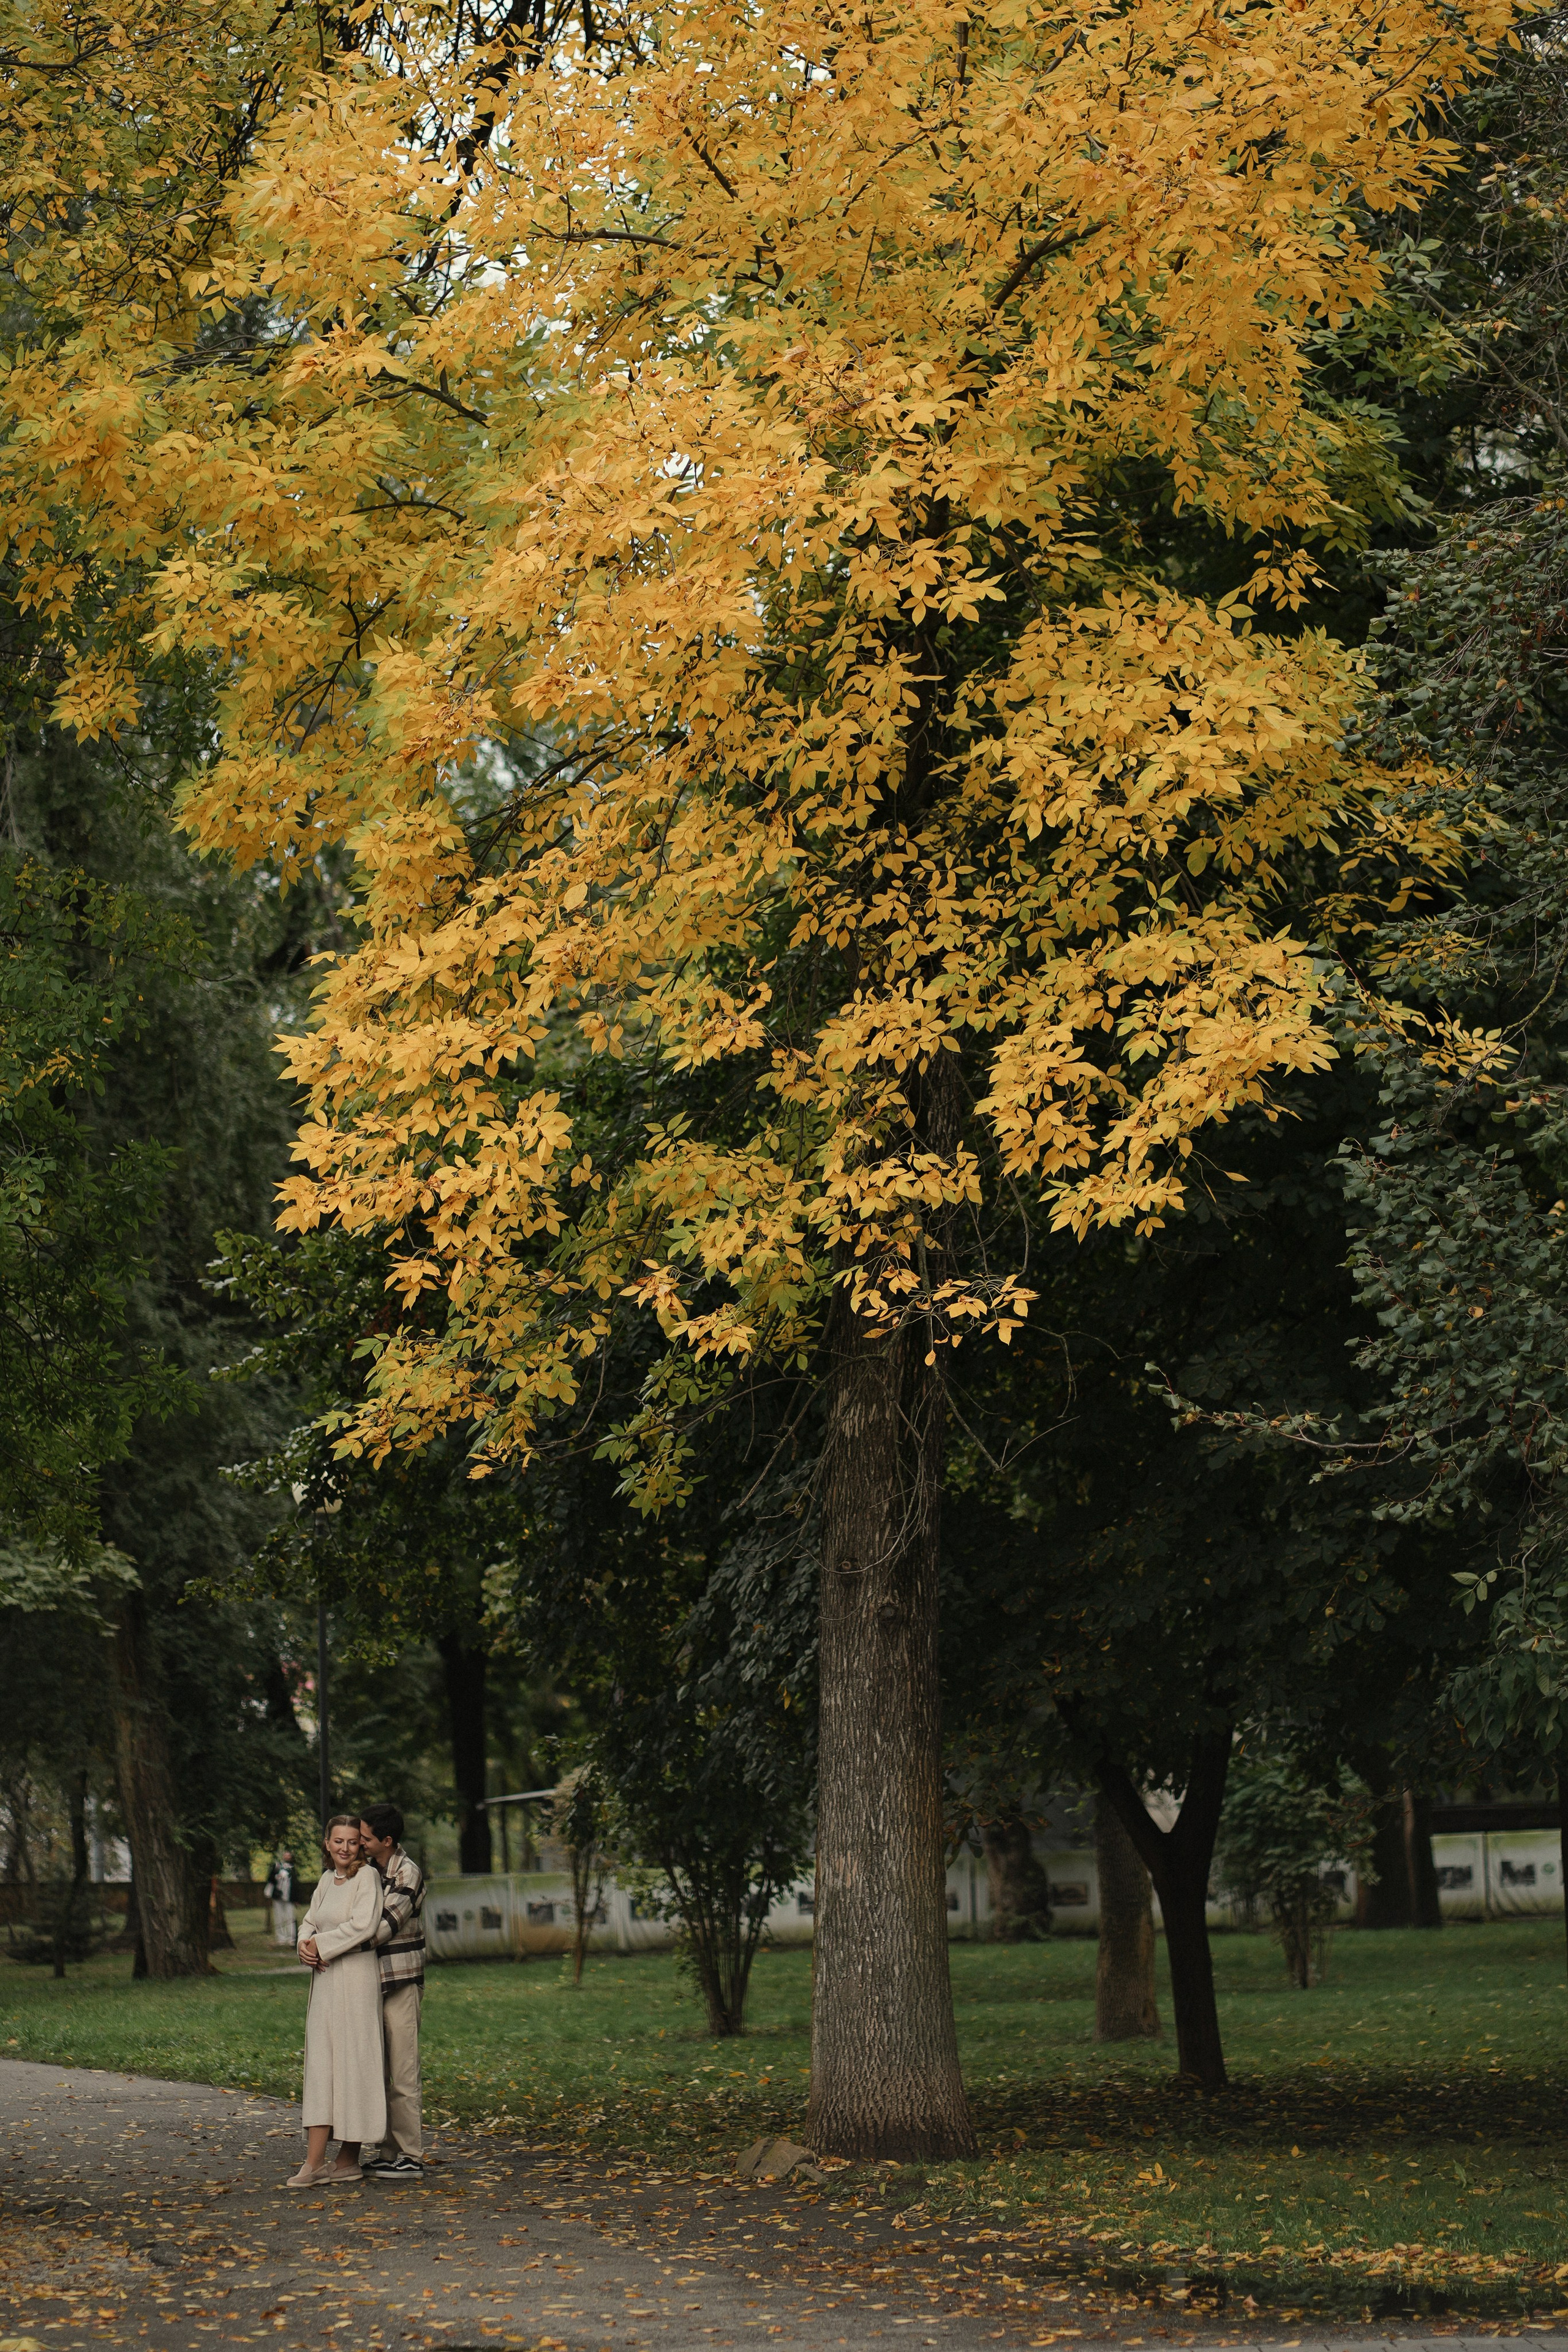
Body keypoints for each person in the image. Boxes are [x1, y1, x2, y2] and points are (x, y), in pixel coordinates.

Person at [287, 1815, 385, 2188]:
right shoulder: (327, 1881)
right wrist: (303, 1944)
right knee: (323, 2065)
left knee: (353, 2065)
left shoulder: (368, 1878)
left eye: (352, 1841)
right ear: (327, 1844)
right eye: (338, 1841)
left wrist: (321, 1944)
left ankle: (347, 2161)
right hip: (325, 1982)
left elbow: (365, 1924)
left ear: (361, 1844)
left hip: (356, 1981)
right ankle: (313, 2163)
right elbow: (310, 1920)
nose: (345, 1848)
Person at [356, 1802, 426, 2181]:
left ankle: (411, 2155)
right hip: (371, 1984)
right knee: (378, 2070)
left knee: (403, 2070)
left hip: (400, 1981)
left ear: (387, 1840)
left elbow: (384, 1925)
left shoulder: (408, 1873)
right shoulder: (368, 1871)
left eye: (366, 1838)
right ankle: (388, 2151)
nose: (360, 1843)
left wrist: (334, 1943)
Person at [263, 1849, 296, 1947]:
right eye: (286, 1855)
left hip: (289, 1898)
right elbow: (270, 1879)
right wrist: (277, 1877)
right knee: (279, 1917)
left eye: (289, 1855)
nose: (287, 1857)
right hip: (278, 1897)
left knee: (290, 1917)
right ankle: (281, 1938)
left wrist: (296, 1899)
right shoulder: (277, 1867)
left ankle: (291, 1938)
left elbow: (295, 1884)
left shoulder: (293, 1869)